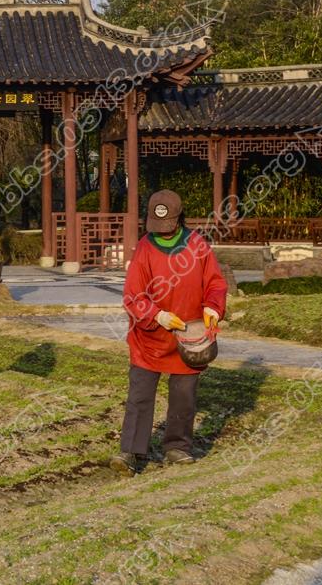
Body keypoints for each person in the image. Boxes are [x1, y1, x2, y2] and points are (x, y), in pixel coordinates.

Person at [110, 190, 227, 476]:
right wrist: (156, 315)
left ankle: (177, 446)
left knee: (184, 394)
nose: (161, 232)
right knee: (140, 394)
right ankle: (131, 451)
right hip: (148, 337)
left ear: (179, 218)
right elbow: (132, 295)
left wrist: (213, 306)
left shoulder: (198, 245)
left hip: (189, 336)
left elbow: (214, 282)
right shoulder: (144, 249)